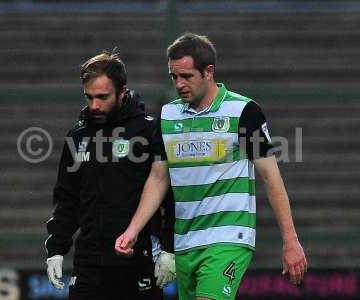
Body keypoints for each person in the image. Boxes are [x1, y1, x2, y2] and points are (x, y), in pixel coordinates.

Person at [115, 33, 308, 300]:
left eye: (186, 76)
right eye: (174, 77)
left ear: (208, 72)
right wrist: (133, 230)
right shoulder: (168, 115)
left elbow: (271, 178)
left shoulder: (243, 111)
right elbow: (158, 180)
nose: (179, 84)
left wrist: (290, 240)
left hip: (228, 238)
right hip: (185, 241)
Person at [44, 51, 175, 300]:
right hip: (89, 263)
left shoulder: (148, 131)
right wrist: (57, 249)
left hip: (138, 261)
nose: (95, 105)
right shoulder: (78, 137)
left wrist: (169, 248)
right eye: (89, 97)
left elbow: (169, 194)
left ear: (122, 91)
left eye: (103, 97)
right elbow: (67, 198)